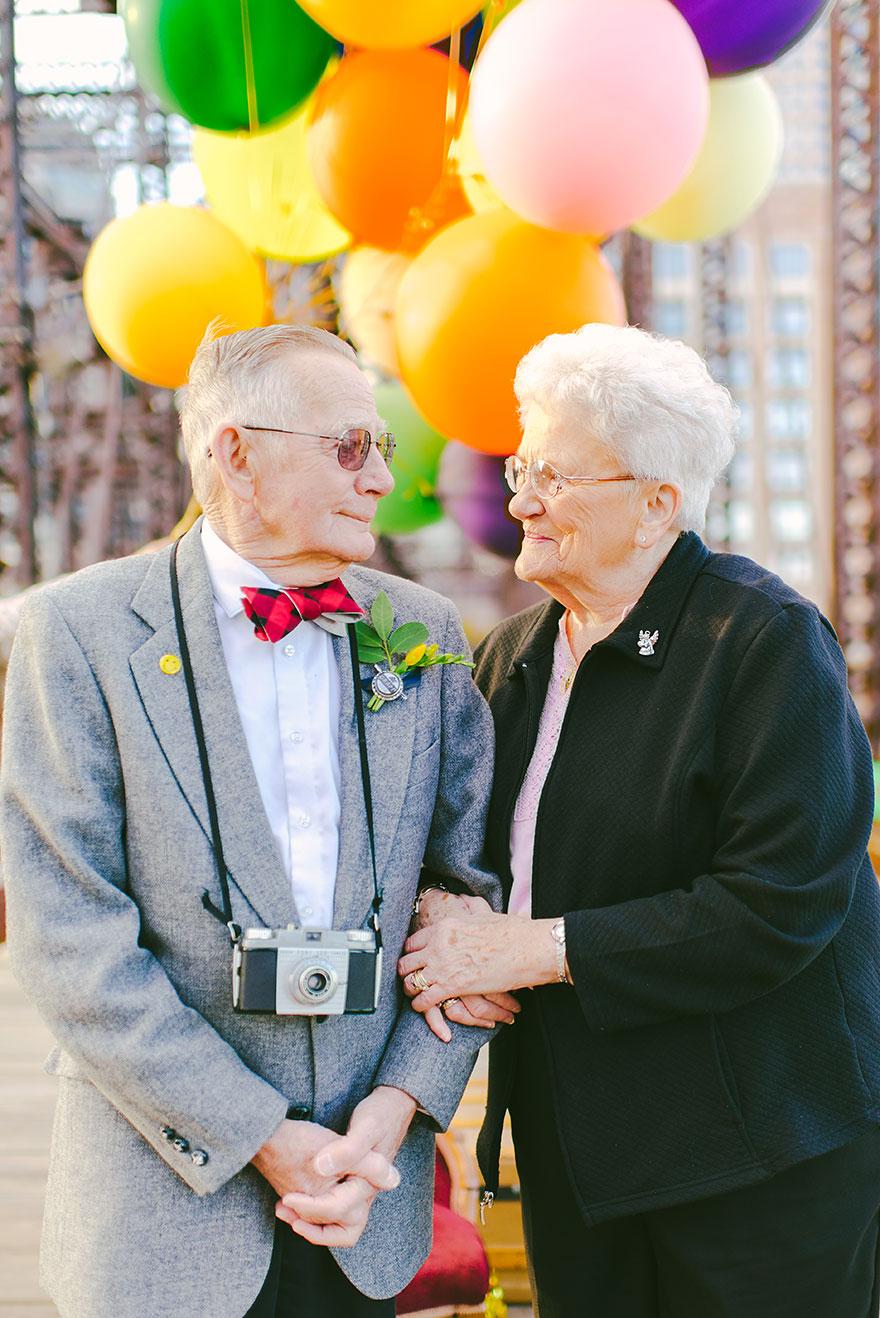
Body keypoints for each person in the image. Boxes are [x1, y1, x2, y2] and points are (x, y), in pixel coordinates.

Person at [0, 323, 505, 1318]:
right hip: (160, 1223)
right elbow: (67, 936)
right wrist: (261, 1133)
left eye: (381, 448)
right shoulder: (78, 632)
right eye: (347, 447)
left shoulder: (424, 630)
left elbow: (468, 896)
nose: (376, 477)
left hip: (371, 1205)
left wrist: (396, 1108)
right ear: (235, 451)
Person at [398, 323, 880, 1317]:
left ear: (657, 505)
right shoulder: (513, 656)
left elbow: (776, 904)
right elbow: (469, 867)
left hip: (757, 1155)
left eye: (554, 476)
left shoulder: (764, 642)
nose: (520, 496)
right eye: (519, 466)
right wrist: (440, 928)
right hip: (578, 1151)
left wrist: (523, 950)